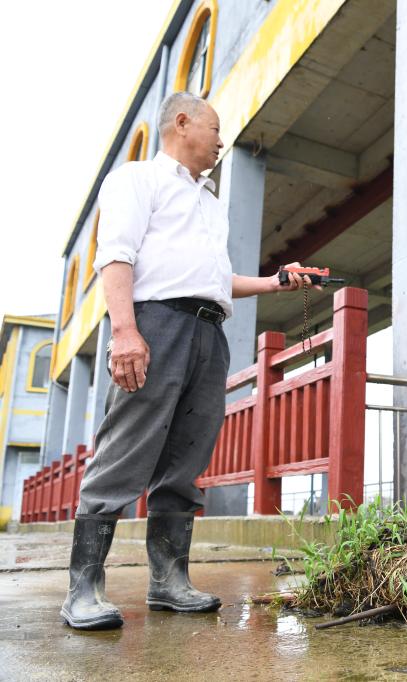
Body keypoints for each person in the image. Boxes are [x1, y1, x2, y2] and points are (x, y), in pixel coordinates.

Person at [61, 91, 315, 630]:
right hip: (155, 324)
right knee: (126, 447)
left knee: (187, 459)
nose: (222, 142)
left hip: (208, 330)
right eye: (216, 130)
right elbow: (116, 255)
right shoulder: (138, 179)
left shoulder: (207, 201)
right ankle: (83, 590)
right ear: (182, 123)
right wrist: (125, 331)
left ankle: (169, 582)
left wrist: (276, 280)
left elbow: (217, 280)